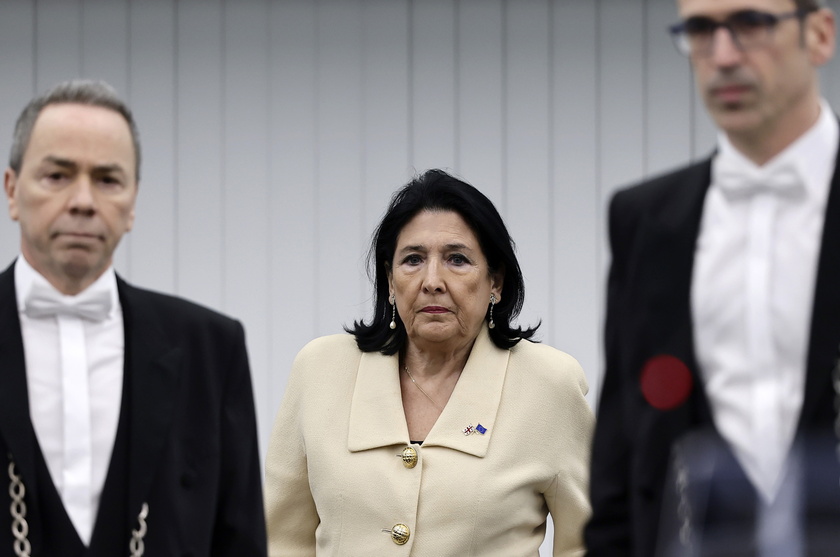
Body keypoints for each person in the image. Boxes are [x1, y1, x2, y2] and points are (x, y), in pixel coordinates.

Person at [585, 0, 838, 555]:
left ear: (819, 35)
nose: (722, 56)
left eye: (751, 24)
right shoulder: (646, 219)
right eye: (701, 30)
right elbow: (623, 443)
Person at [264, 169, 593, 556]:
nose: (432, 280)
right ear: (389, 280)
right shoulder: (320, 370)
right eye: (413, 260)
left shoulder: (548, 383)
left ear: (496, 282)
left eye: (457, 259)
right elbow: (279, 540)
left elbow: (587, 543)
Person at [0, 80, 267, 556]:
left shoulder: (212, 348)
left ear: (132, 203)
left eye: (108, 179)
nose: (83, 201)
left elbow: (239, 540)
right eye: (57, 176)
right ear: (12, 191)